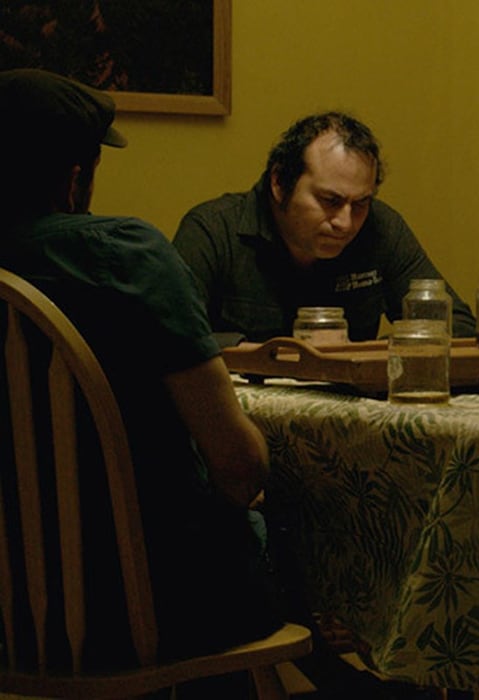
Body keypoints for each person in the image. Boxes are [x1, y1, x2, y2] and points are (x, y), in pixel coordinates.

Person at [0, 68, 279, 676]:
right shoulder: (122, 256)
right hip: (136, 616)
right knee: (283, 523)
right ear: (75, 178)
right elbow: (237, 466)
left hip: (9, 622)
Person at [172, 111, 476, 346]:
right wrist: (276, 357)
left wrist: (370, 356)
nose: (345, 222)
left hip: (347, 405)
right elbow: (168, 339)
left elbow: (458, 326)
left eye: (361, 203)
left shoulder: (381, 228)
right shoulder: (213, 231)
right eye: (330, 201)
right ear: (279, 183)